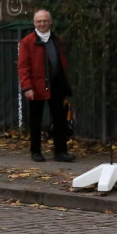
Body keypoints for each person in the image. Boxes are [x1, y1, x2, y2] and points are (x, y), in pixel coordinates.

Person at [18, 9, 74, 162]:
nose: (41, 24)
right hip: (36, 86)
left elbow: (61, 62)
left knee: (60, 119)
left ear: (50, 22)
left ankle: (60, 151)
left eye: (44, 21)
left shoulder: (57, 39)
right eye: (38, 21)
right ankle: (35, 151)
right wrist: (27, 87)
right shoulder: (27, 42)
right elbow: (23, 66)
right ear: (34, 23)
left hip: (56, 84)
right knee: (35, 121)